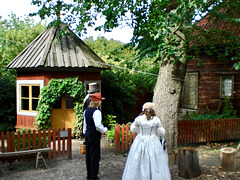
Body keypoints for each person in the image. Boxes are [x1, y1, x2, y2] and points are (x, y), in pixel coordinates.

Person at [122, 102, 171, 180]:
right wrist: (156, 132)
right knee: (154, 159)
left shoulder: (138, 119)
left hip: (140, 141)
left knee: (138, 159)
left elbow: (132, 129)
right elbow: (162, 132)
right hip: (153, 141)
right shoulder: (156, 119)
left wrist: (139, 130)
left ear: (143, 109)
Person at [83, 92, 108, 180]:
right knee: (95, 155)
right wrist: (104, 130)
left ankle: (89, 175)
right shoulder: (97, 112)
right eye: (100, 100)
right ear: (98, 102)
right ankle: (94, 176)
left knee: (88, 155)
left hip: (88, 134)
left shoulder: (86, 111)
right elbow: (98, 125)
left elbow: (84, 125)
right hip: (94, 134)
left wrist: (86, 134)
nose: (101, 102)